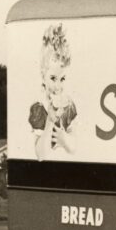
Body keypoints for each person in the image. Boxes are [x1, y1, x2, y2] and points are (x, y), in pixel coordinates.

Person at [29, 22, 77, 159]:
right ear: (43, 78)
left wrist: (64, 139)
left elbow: (73, 147)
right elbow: (40, 155)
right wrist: (50, 121)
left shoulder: (68, 107)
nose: (57, 86)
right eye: (53, 78)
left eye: (62, 79)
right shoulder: (39, 109)